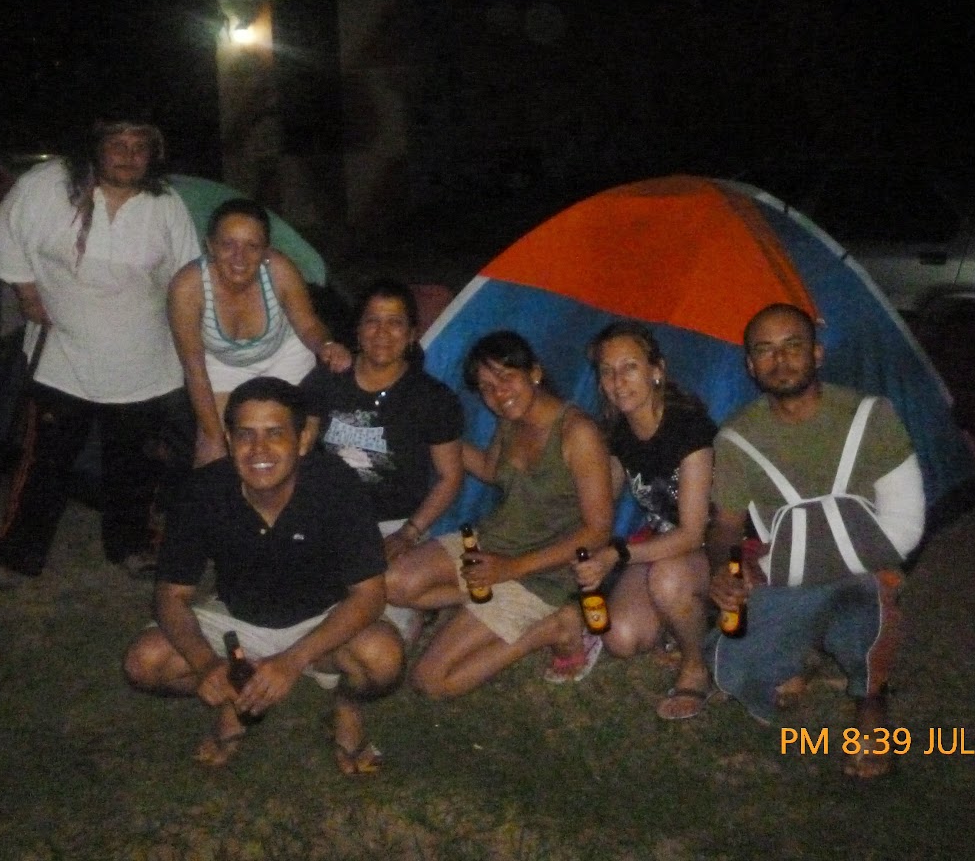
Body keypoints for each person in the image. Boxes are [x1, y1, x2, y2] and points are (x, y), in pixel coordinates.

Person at [0, 112, 200, 590]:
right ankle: (16, 556)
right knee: (43, 462)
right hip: (61, 355)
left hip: (143, 360)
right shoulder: (47, 185)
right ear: (95, 146)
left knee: (135, 465)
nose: (128, 156)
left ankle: (132, 545)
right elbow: (6, 237)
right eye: (117, 144)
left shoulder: (165, 203)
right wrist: (26, 292)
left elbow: (187, 276)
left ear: (153, 155)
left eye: (139, 146)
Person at [122, 377, 403, 775]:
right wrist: (206, 665)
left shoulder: (336, 484)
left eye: (275, 433)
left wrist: (292, 661)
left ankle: (345, 707)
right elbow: (171, 596)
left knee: (383, 658)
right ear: (229, 440)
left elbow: (370, 595)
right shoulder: (203, 491)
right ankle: (235, 695)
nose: (259, 450)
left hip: (322, 621)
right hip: (238, 617)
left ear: (302, 440)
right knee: (144, 662)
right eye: (246, 434)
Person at [707, 303, 926, 778]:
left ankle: (871, 697)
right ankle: (807, 645)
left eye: (793, 346)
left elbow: (906, 527)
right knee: (732, 671)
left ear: (817, 353)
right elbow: (725, 524)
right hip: (793, 578)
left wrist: (838, 556)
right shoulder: (737, 438)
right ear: (750, 366)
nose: (780, 360)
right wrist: (726, 568)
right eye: (765, 350)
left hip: (863, 573)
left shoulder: (871, 416)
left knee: (865, 602)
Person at [387, 331, 614, 697]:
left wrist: (512, 569)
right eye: (486, 387)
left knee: (430, 681)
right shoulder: (511, 418)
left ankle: (554, 627)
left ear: (534, 373)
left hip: (542, 573)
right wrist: (436, 434)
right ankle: (484, 600)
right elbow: (492, 470)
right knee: (393, 583)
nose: (498, 393)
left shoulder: (577, 433)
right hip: (492, 543)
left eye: (507, 376)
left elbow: (598, 531)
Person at [575, 321, 716, 720]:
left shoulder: (689, 429)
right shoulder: (619, 433)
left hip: (715, 549)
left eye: (629, 367)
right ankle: (681, 620)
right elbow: (601, 503)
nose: (618, 381)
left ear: (657, 370)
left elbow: (692, 534)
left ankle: (696, 663)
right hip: (662, 541)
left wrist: (616, 555)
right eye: (607, 371)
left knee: (667, 579)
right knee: (621, 638)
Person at [168, 198, 352, 466]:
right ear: (210, 246)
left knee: (293, 444)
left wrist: (326, 345)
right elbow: (194, 368)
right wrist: (214, 436)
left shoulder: (280, 270)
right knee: (215, 454)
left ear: (266, 250)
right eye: (228, 245)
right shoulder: (187, 286)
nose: (239, 257)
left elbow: (308, 325)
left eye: (252, 246)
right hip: (223, 366)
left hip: (285, 356)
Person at [302, 280, 465, 562]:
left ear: (412, 334)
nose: (382, 332)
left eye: (395, 323)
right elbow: (300, 447)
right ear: (358, 330)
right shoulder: (328, 379)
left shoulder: (432, 398)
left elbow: (450, 477)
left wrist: (409, 532)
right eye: (372, 321)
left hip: (393, 525)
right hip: (327, 513)